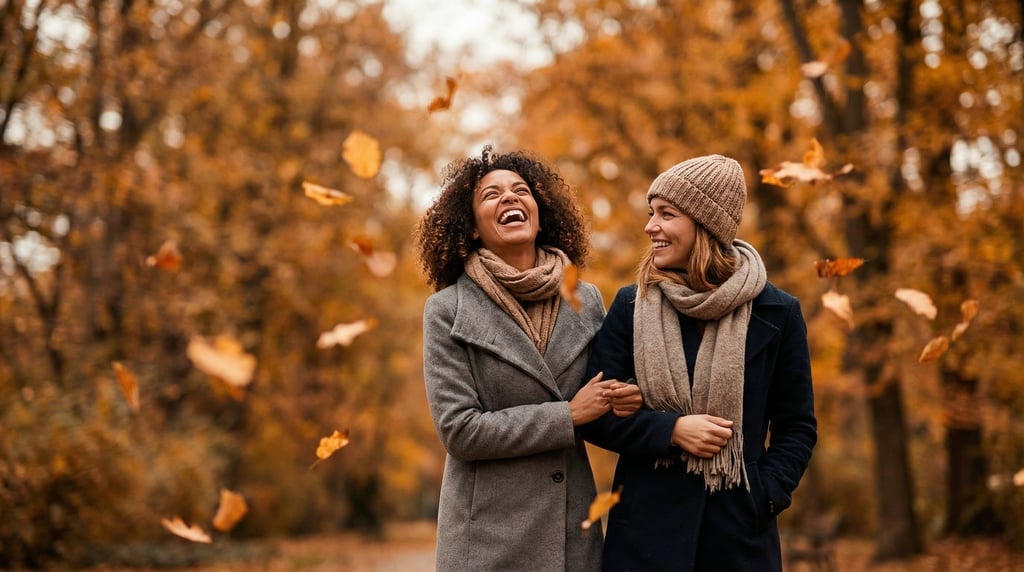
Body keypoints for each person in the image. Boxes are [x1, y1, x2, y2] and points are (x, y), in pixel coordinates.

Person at [579, 154, 817, 571]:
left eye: (666, 214)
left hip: (739, 537)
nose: (650, 226)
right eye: (651, 213)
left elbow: (797, 427)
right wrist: (670, 429)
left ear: (704, 224)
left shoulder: (777, 313)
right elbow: (595, 413)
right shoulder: (632, 306)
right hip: (645, 536)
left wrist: (764, 496)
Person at [415, 145, 641, 572]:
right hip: (487, 540)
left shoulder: (586, 298)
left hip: (572, 534)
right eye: (491, 194)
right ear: (473, 227)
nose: (510, 198)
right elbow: (460, 432)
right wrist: (566, 416)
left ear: (540, 214)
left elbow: (602, 397)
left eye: (521, 190)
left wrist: (624, 399)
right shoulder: (446, 310)